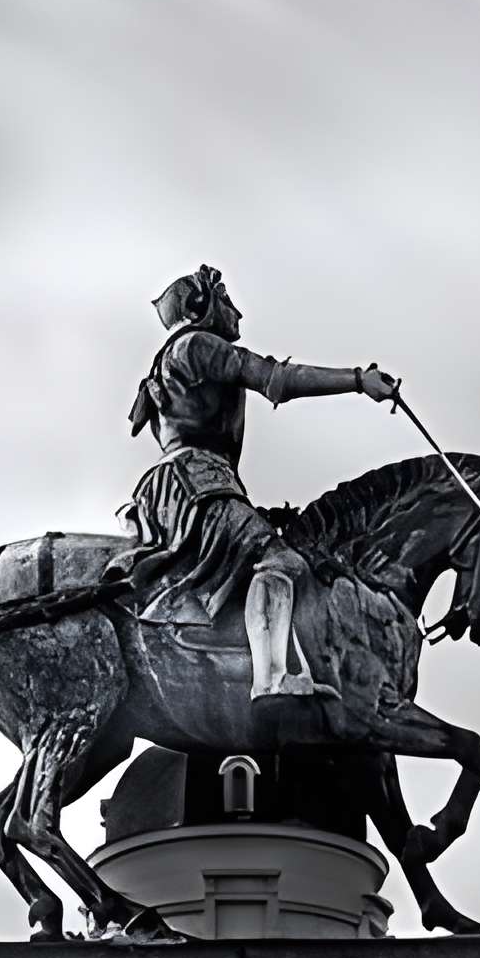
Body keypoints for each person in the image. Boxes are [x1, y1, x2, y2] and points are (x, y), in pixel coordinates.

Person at [117, 264, 401, 701]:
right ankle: (272, 679)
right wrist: (358, 380)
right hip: (198, 481)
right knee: (280, 561)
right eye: (227, 301)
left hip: (181, 486)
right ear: (202, 305)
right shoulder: (197, 345)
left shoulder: (169, 360)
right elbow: (275, 379)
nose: (237, 314)